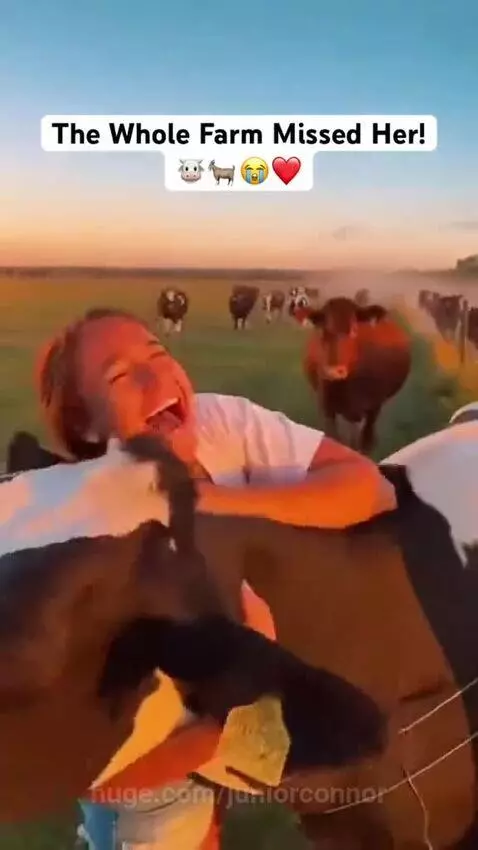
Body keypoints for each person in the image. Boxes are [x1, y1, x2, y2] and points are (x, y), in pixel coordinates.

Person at [31, 307, 396, 850]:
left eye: (158, 353)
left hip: (232, 703)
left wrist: (213, 502)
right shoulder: (89, 532)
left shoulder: (222, 423)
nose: (157, 376)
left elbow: (371, 488)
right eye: (119, 374)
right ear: (87, 426)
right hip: (163, 768)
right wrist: (234, 716)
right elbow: (96, 773)